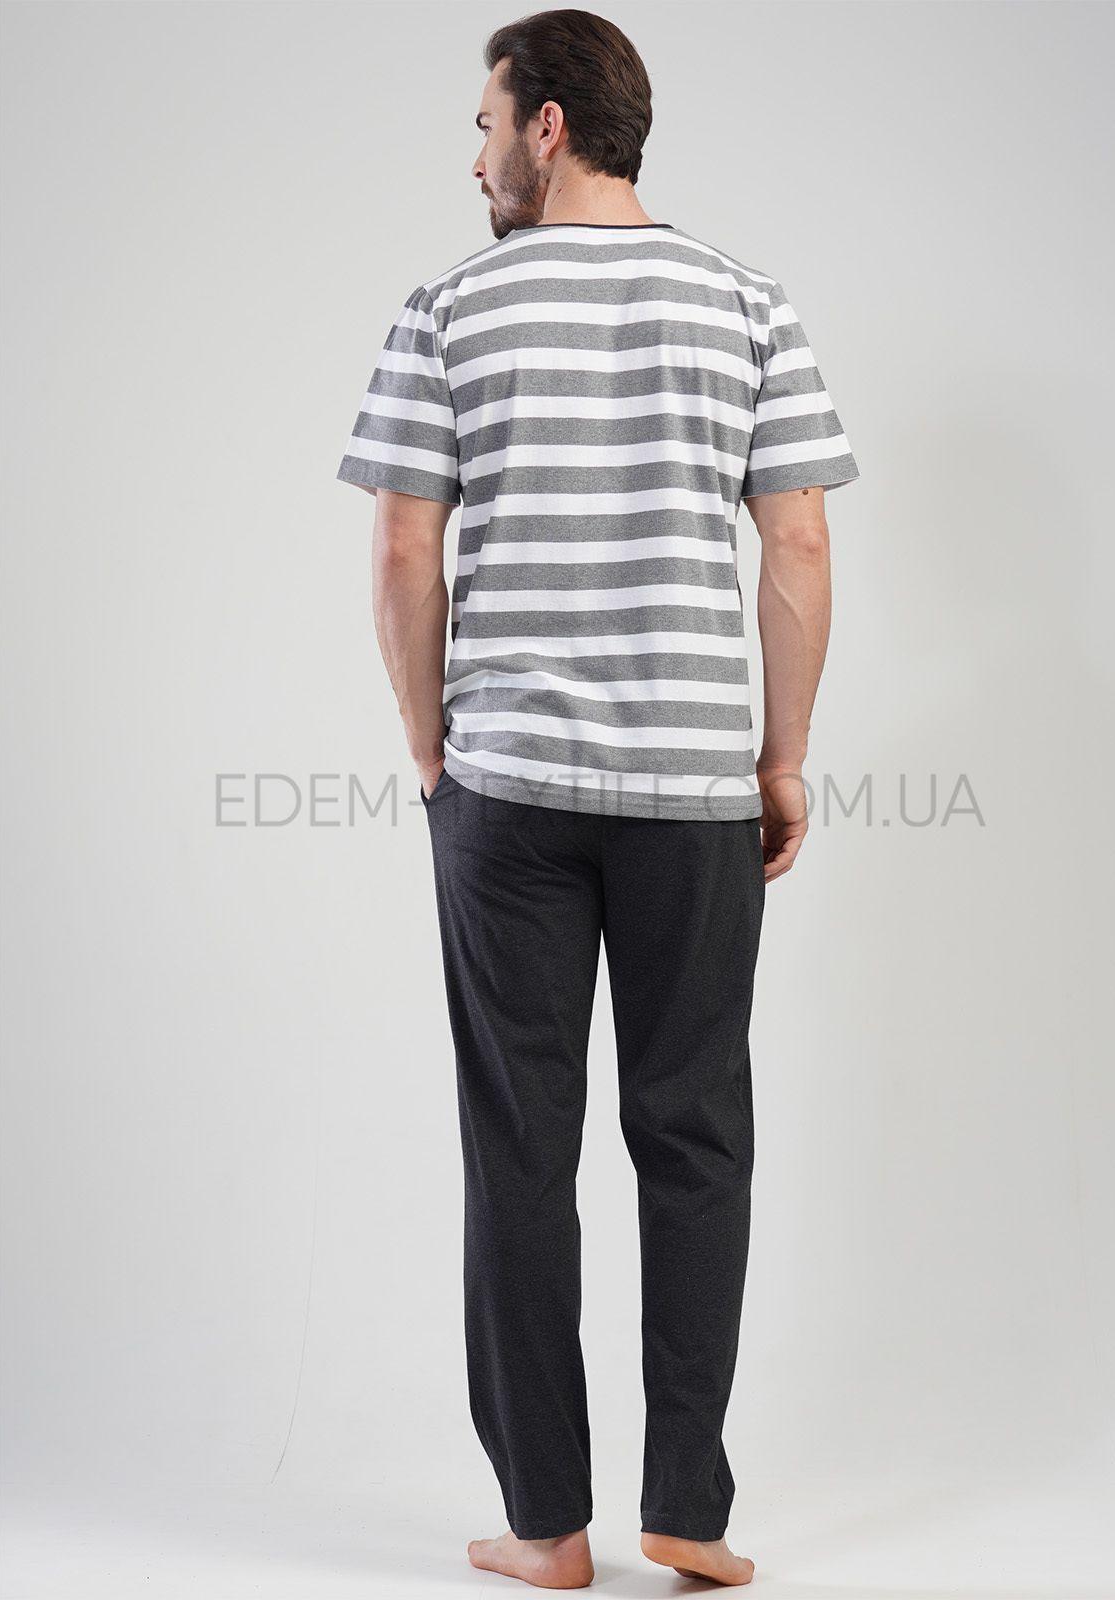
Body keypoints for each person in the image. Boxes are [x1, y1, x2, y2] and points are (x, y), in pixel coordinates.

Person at [335, 9, 859, 1588]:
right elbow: (800, 543)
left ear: (548, 124)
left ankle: (548, 1526)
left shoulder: (449, 308)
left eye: (486, 124)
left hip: (508, 791)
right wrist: (778, 756)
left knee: (521, 1144)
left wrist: (432, 744)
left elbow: (405, 548)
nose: (476, 157)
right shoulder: (748, 303)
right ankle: (688, 1506)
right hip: (694, 790)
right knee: (694, 1132)